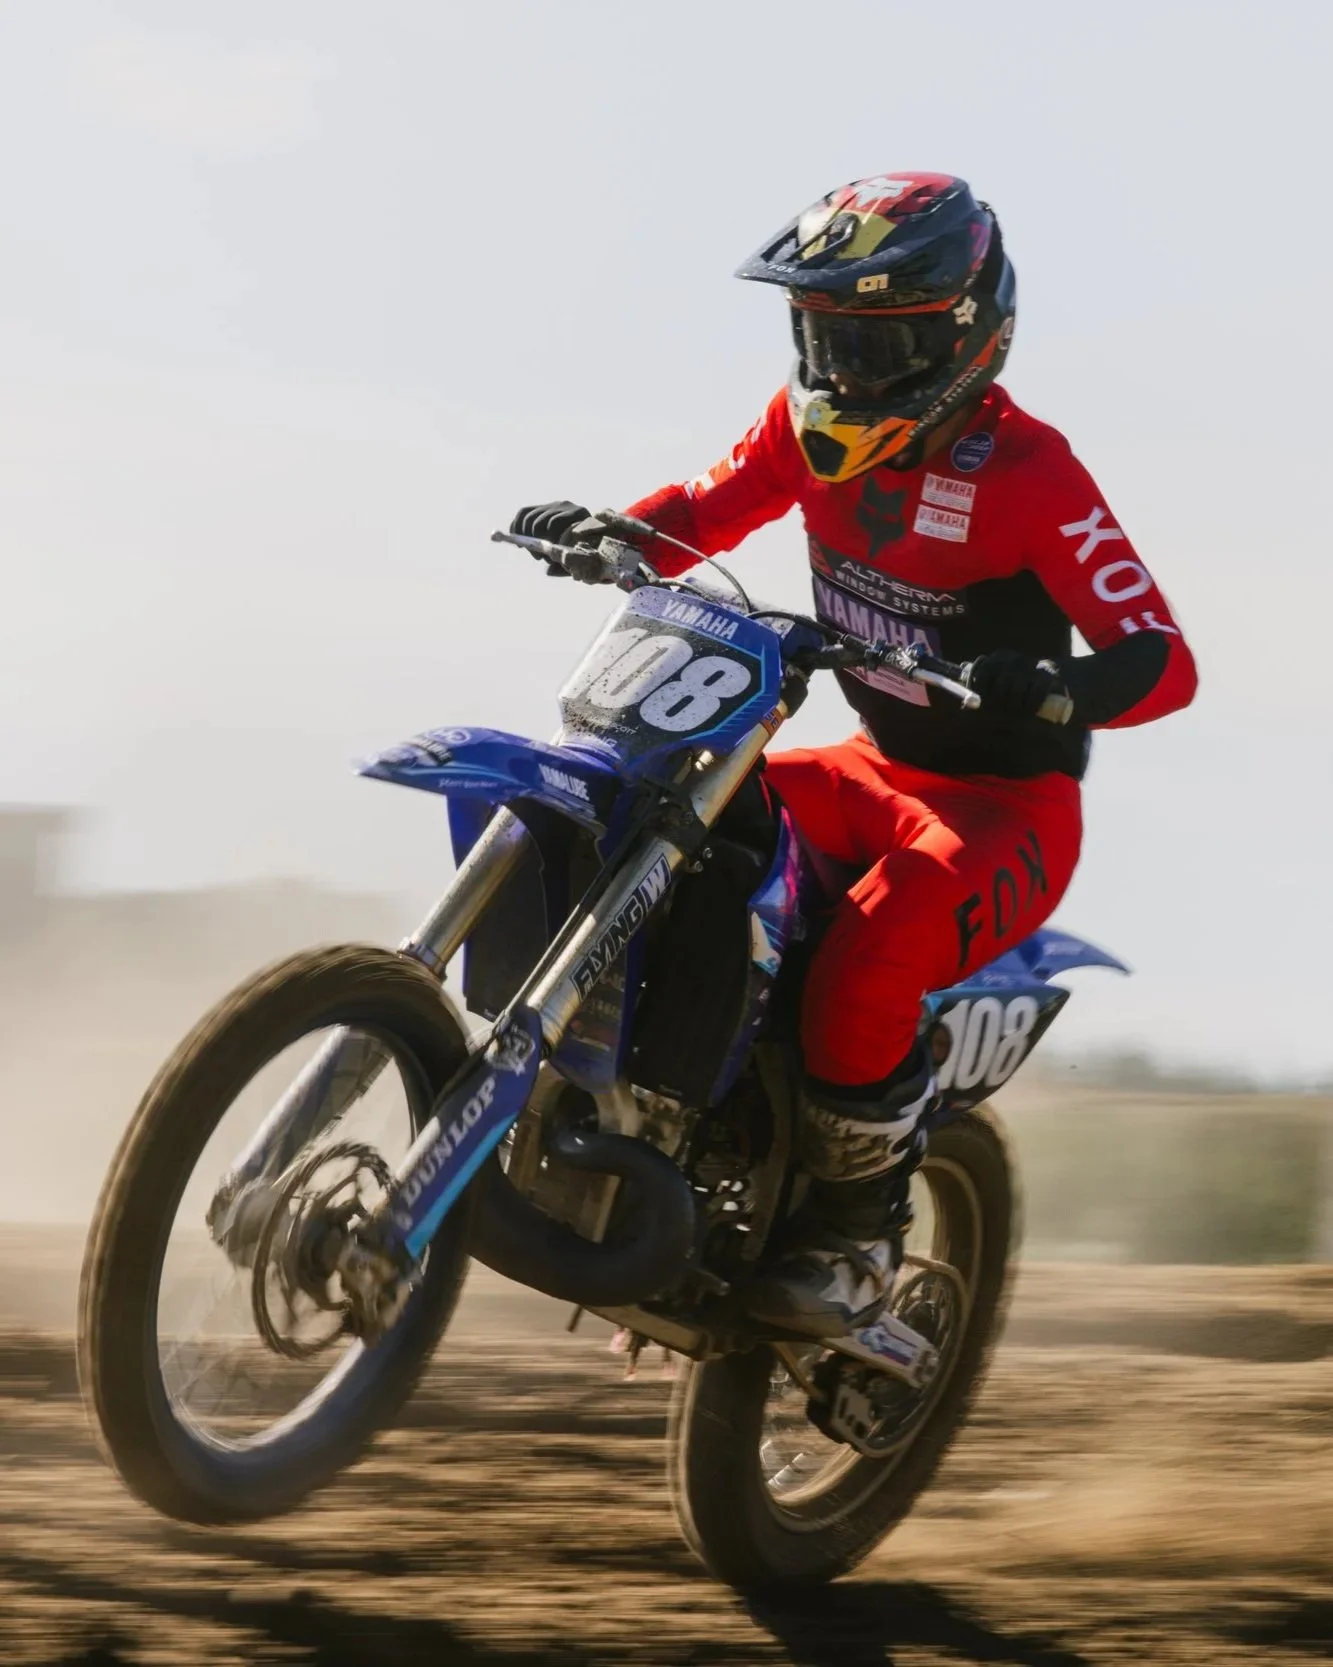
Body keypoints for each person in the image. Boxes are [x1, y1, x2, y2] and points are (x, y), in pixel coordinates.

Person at [511, 172, 1197, 1338]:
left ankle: (858, 1236)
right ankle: (650, 1099)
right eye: (824, 335)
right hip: (868, 769)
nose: (843, 372)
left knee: (878, 945)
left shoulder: (1031, 474)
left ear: (964, 338)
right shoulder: (805, 430)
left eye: (874, 346)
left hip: (1001, 812)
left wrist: (1057, 686)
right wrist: (614, 532)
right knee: (654, 804)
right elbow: (703, 508)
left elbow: (1161, 659)